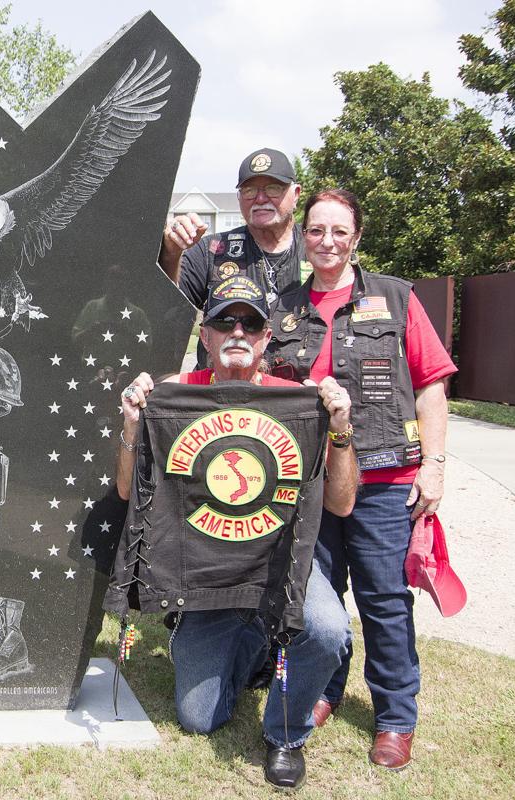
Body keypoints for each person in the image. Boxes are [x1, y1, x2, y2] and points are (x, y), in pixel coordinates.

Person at [114, 279, 358, 790]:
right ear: (205, 335)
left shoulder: (298, 401)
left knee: (327, 628)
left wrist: (339, 426)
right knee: (199, 718)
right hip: (205, 576)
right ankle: (257, 642)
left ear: (267, 338)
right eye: (225, 322)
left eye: (250, 323)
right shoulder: (174, 394)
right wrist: (134, 426)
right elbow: (124, 491)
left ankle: (285, 735)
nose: (237, 332)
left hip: (279, 564)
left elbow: (341, 502)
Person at [266, 188, 457, 771]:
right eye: (316, 230)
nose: (326, 241)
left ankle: (396, 717)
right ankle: (325, 690)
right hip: (308, 482)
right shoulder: (283, 306)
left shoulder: (396, 299)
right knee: (318, 600)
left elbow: (430, 384)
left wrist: (435, 463)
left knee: (384, 600)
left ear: (356, 238)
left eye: (338, 231)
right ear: (302, 236)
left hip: (384, 477)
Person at [159, 148, 310, 367]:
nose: (260, 198)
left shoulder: (317, 248)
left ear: (295, 194)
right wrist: (171, 252)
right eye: (249, 190)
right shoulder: (212, 250)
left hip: (294, 392)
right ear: (239, 197)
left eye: (273, 188)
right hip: (219, 391)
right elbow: (165, 308)